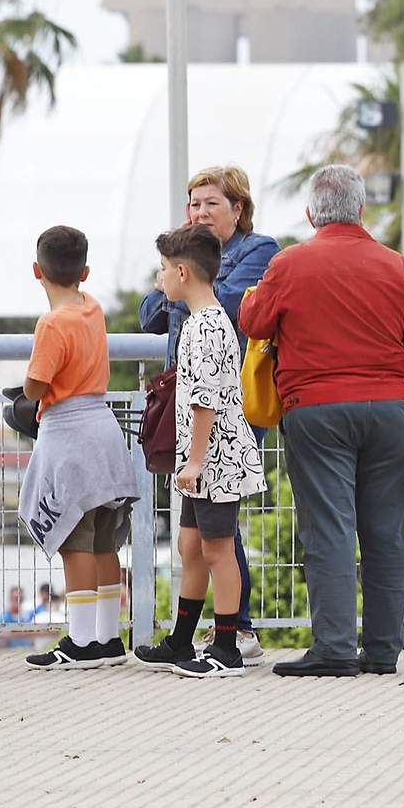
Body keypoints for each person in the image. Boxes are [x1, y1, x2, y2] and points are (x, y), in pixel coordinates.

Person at [239, 164, 404, 677]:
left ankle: (332, 648)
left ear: (310, 213)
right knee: (385, 531)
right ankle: (381, 650)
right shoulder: (401, 269)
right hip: (393, 410)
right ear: (362, 210)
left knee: (329, 529)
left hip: (319, 411)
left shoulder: (289, 265)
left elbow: (254, 321)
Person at [140, 165, 279, 662]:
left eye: (211, 204)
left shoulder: (216, 314)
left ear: (237, 209)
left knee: (219, 541)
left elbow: (208, 396)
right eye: (194, 204)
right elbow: (148, 314)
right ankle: (185, 638)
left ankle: (231, 639)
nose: (200, 212)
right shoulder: (198, 307)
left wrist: (194, 460)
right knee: (191, 543)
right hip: (195, 439)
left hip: (217, 443)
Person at [19, 226, 139, 670]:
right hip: (104, 431)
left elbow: (35, 385)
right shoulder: (94, 307)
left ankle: (82, 641)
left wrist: (28, 389)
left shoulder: (51, 324)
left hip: (69, 436)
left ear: (37, 271)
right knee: (105, 541)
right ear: (85, 272)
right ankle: (109, 638)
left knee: (75, 541)